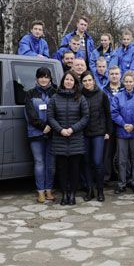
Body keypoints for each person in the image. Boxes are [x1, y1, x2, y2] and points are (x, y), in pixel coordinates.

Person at [47, 70, 89, 205]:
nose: (69, 82)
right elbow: (50, 117)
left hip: (76, 138)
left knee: (75, 169)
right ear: (63, 82)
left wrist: (72, 129)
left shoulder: (80, 98)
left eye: (71, 80)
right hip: (59, 138)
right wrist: (60, 130)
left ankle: (72, 194)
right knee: (62, 169)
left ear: (75, 83)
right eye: (66, 80)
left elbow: (85, 117)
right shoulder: (54, 98)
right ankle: (65, 194)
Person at [24, 67, 57, 203]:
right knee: (39, 162)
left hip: (52, 133)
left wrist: (51, 126)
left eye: (46, 77)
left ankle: (49, 189)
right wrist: (43, 127)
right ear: (37, 79)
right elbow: (30, 114)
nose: (43, 79)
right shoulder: (30, 93)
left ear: (50, 78)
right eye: (41, 77)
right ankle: (40, 192)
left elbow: (58, 111)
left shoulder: (55, 93)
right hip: (36, 133)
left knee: (51, 164)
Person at [81, 71, 113, 202]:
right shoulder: (79, 95)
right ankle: (90, 190)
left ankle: (100, 190)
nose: (87, 83)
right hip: (83, 133)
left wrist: (108, 131)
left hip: (99, 132)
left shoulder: (102, 94)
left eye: (89, 80)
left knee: (98, 162)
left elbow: (108, 114)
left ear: (93, 81)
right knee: (86, 162)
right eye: (85, 81)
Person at [111, 71, 134, 194]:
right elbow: (114, 112)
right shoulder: (118, 96)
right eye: (126, 81)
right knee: (122, 160)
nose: (128, 83)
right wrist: (124, 124)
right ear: (123, 82)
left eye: (131, 81)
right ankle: (121, 183)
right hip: (122, 132)